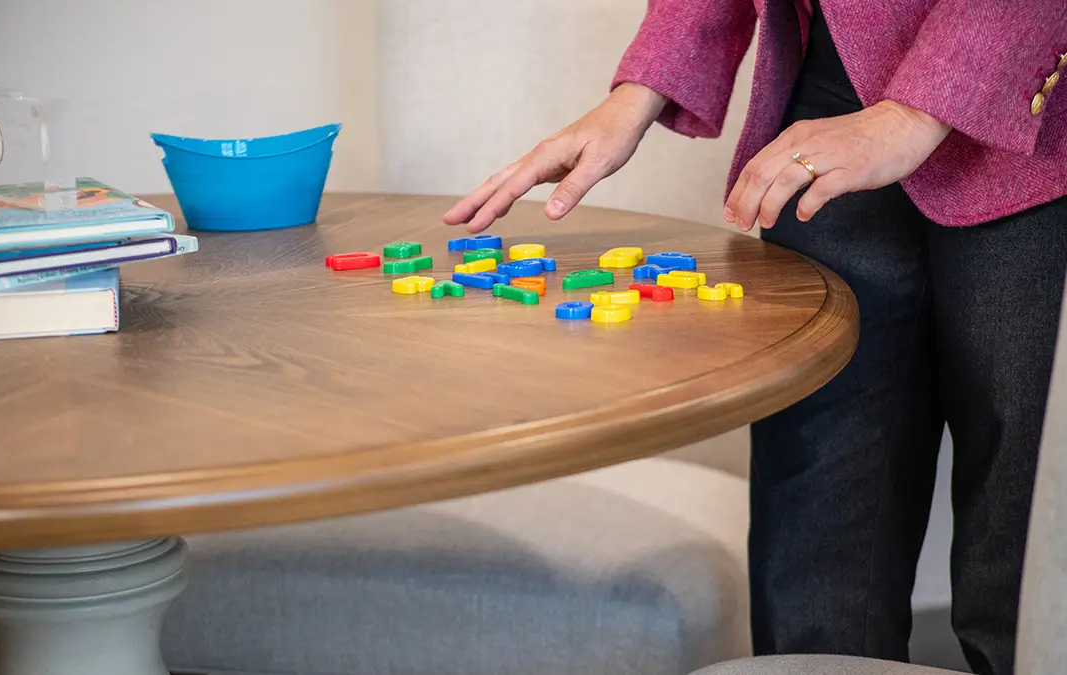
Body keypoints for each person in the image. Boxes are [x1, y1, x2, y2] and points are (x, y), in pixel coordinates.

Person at [443, 2, 1067, 674]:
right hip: (825, 99)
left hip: (1034, 110)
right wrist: (639, 90)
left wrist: (921, 109)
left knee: (1025, 554)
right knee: (814, 551)